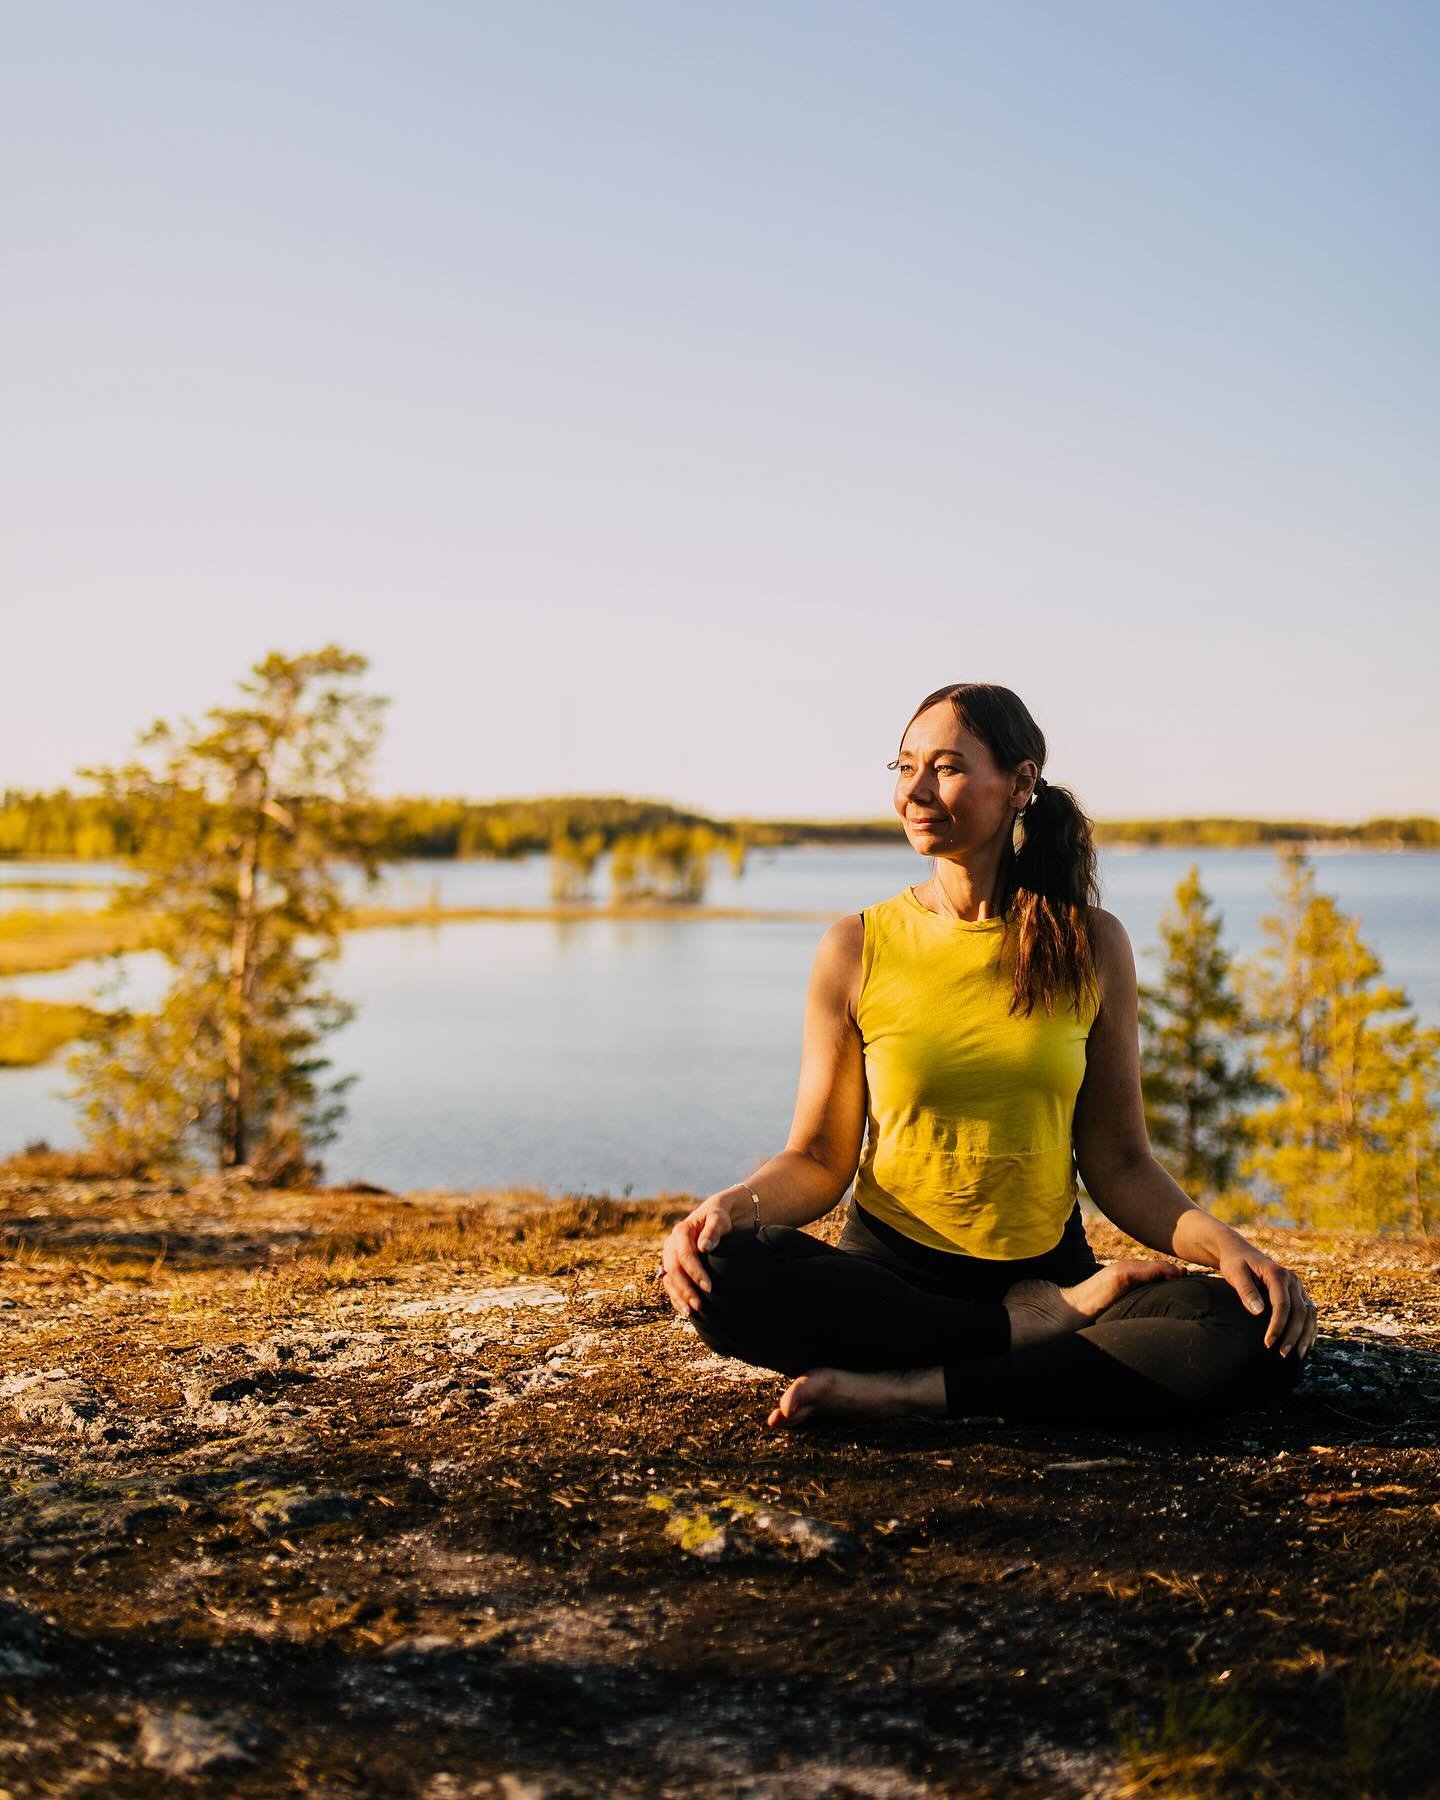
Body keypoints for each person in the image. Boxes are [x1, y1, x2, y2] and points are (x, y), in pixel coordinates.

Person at [658, 682, 1320, 1431]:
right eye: (903, 767)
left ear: (1021, 784)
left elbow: (1121, 1166)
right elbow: (816, 1157)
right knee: (722, 1270)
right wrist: (727, 1209)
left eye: (944, 767)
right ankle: (1014, 1339)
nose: (915, 791)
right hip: (894, 1282)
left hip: (1049, 1274)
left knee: (1254, 1329)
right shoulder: (857, 945)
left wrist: (1225, 1245)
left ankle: (915, 1391)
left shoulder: (1092, 944)